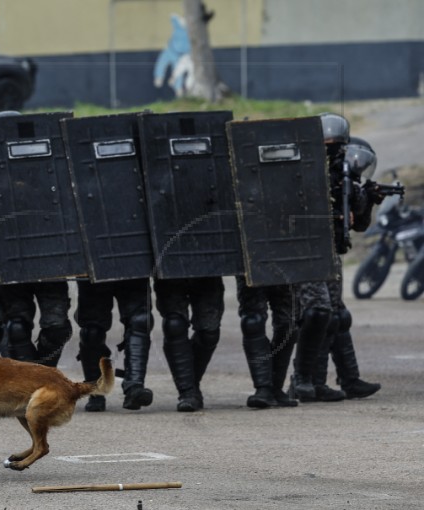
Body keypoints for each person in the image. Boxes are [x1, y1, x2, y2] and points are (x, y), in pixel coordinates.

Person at [289, 115, 384, 401]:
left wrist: (366, 200)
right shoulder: (300, 172)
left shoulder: (346, 178)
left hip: (331, 253)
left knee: (336, 317)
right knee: (318, 313)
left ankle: (336, 381)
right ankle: (301, 379)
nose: (333, 151)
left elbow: (359, 225)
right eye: (328, 145)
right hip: (305, 253)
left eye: (337, 145)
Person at [75, 278, 154, 412]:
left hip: (133, 265)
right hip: (93, 264)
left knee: (140, 322)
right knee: (91, 332)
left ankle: (135, 386)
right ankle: (96, 389)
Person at [154, 276, 224, 412]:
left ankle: (191, 383)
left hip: (208, 265)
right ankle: (187, 391)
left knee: (209, 332)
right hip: (169, 263)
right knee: (174, 325)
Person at [236, 278, 298, 408]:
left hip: (287, 265)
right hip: (250, 264)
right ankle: (263, 388)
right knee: (253, 322)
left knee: (289, 325)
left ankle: (276, 387)